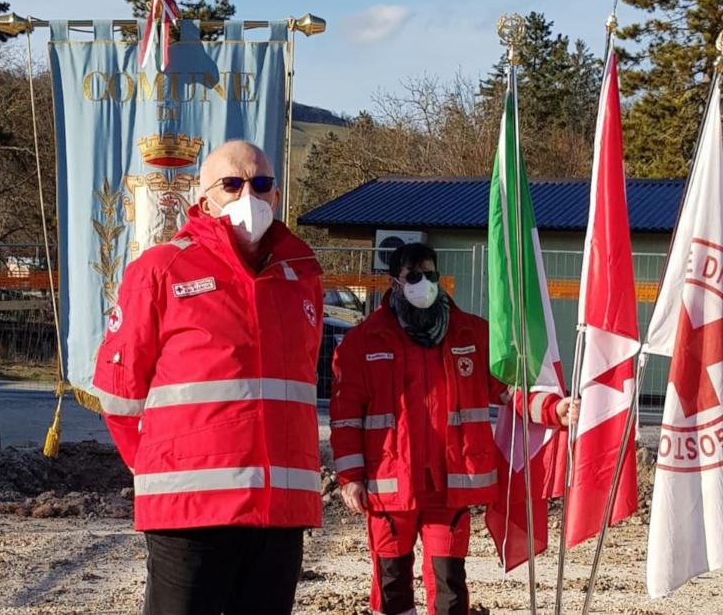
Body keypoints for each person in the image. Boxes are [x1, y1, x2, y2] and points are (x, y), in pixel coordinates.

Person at [93, 140, 324, 615]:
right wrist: (158, 466)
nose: (250, 196)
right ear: (205, 198)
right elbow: (119, 394)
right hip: (189, 511)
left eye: (261, 184)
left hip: (279, 513)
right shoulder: (160, 270)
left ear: (276, 195)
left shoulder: (301, 274)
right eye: (233, 184)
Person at [329, 242, 578, 615]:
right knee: (392, 583)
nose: (425, 284)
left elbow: (511, 388)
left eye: (431, 275)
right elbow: (345, 416)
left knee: (449, 585)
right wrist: (350, 476)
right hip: (391, 485)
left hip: (451, 487)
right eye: (414, 276)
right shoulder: (362, 342)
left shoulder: (471, 334)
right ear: (394, 283)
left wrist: (555, 408)